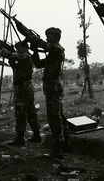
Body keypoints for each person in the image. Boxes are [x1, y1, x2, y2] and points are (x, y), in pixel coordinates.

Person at [31, 27, 70, 158]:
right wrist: (35, 50)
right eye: (46, 36)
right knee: (57, 115)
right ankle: (64, 144)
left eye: (49, 36)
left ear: (56, 37)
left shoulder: (58, 49)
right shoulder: (52, 53)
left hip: (54, 88)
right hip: (51, 88)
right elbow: (38, 64)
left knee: (54, 117)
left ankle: (59, 148)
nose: (47, 38)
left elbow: (47, 46)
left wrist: (36, 41)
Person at [0, 40, 41, 146]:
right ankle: (36, 135)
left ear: (24, 48)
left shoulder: (26, 56)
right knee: (31, 112)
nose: (17, 51)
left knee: (21, 112)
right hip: (26, 89)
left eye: (19, 49)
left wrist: (3, 49)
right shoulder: (23, 58)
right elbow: (15, 65)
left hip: (23, 89)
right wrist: (11, 61)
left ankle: (20, 138)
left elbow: (13, 56)